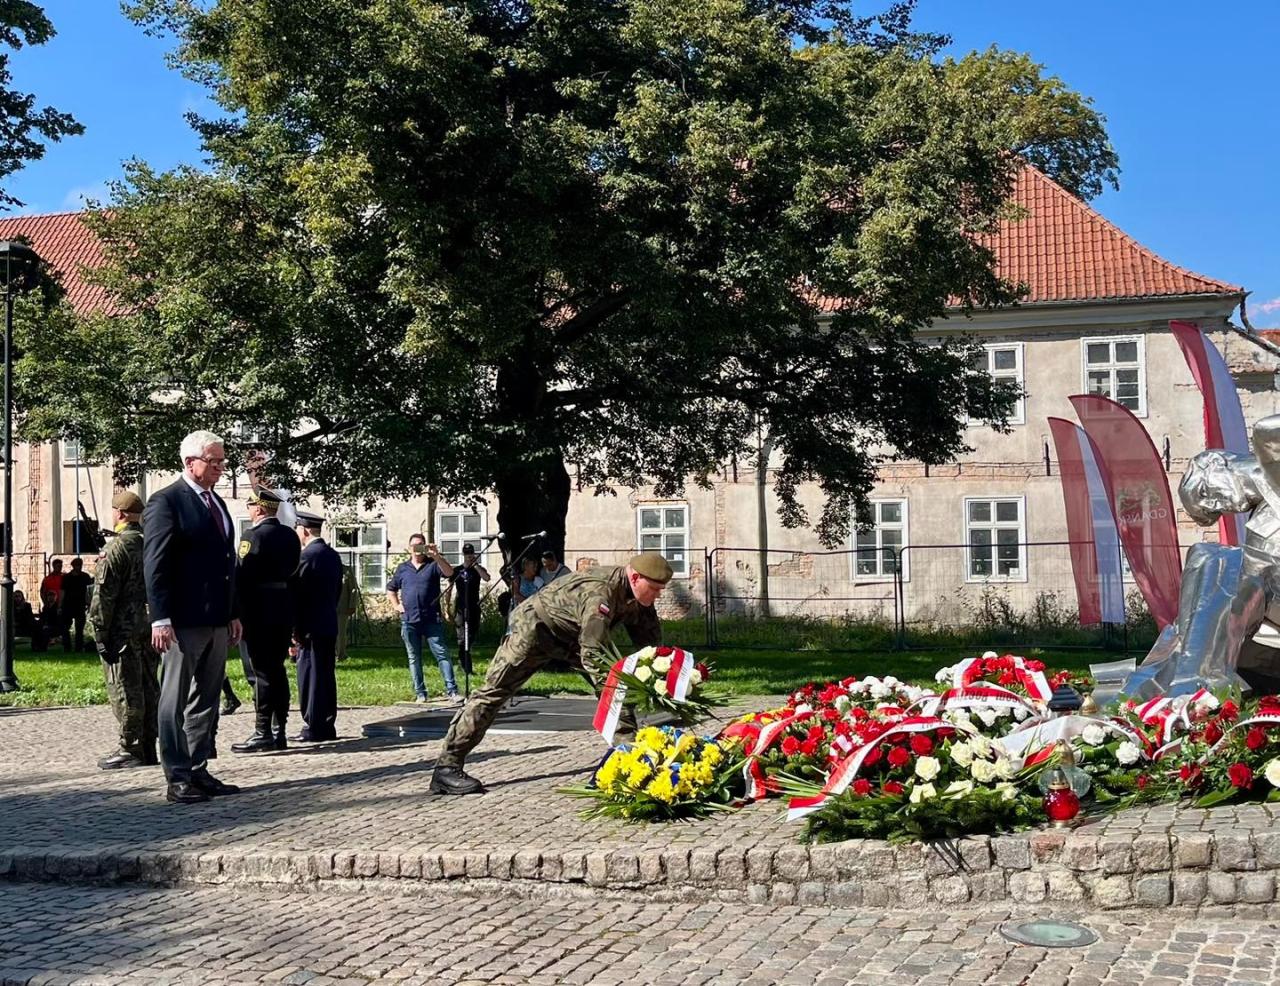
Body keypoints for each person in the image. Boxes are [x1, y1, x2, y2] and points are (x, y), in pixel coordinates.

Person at [431, 552, 671, 795]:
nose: (658, 595)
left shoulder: (640, 597)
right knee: (493, 693)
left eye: (661, 589)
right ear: (636, 577)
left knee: (618, 683)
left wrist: (665, 682)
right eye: (654, 588)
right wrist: (618, 683)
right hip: (534, 629)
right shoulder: (601, 592)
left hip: (572, 636)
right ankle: (447, 768)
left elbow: (650, 648)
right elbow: (595, 655)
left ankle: (630, 757)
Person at [143, 429, 242, 805]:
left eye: (222, 461)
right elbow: (156, 563)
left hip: (217, 618)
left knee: (208, 697)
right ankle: (177, 775)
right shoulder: (166, 502)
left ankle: (199, 767)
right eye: (214, 461)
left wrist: (233, 612)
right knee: (174, 698)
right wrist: (161, 618)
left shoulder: (215, 503)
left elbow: (227, 564)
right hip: (182, 620)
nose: (221, 468)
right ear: (190, 462)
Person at [90, 491, 160, 770]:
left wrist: (98, 632)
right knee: (148, 685)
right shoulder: (150, 544)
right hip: (150, 626)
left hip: (122, 628)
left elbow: (103, 595)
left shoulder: (116, 548)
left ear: (119, 514)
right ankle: (148, 744)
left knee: (125, 688)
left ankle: (129, 747)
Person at [231, 487, 301, 753]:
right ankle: (279, 729)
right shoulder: (290, 536)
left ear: (259, 509)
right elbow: (295, 575)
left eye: (250, 506)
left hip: (257, 612)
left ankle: (262, 731)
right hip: (282, 609)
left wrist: (236, 612)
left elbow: (242, 575)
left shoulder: (252, 536)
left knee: (259, 672)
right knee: (277, 671)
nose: (249, 510)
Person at [386, 533, 459, 704]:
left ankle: (452, 690)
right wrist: (397, 606)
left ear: (426, 547)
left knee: (442, 654)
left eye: (421, 545)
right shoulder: (403, 568)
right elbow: (391, 589)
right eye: (415, 545)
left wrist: (437, 556)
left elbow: (450, 573)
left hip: (431, 618)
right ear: (410, 548)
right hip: (410, 619)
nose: (417, 549)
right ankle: (420, 693)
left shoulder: (433, 565)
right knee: (414, 657)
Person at [292, 508, 343, 741]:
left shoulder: (306, 556)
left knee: (309, 675)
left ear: (303, 530)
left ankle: (313, 725)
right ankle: (326, 723)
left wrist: (294, 629)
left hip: (309, 625)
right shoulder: (332, 555)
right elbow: (337, 592)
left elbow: (298, 595)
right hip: (328, 622)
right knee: (325, 674)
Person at [447, 542, 489, 674]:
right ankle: (466, 668)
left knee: (471, 636)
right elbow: (449, 588)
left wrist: (475, 565)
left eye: (470, 553)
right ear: (463, 554)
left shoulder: (477, 570)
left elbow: (487, 578)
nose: (468, 555)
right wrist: (447, 607)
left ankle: (463, 661)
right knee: (461, 638)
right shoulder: (457, 570)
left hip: (474, 606)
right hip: (460, 606)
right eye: (466, 553)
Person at [61, 557, 92, 652]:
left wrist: (89, 603)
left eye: (80, 565)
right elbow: (62, 591)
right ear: (73, 566)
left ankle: (78, 648)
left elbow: (89, 591)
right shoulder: (66, 578)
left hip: (80, 605)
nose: (78, 567)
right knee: (65, 628)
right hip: (68, 604)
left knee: (79, 629)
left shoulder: (85, 577)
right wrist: (60, 605)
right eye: (77, 565)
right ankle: (67, 647)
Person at [335, 561, 358, 662]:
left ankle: (340, 655)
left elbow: (353, 590)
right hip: (326, 607)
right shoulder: (325, 568)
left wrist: (352, 605)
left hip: (342, 607)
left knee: (340, 632)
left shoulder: (347, 571)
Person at [39, 559, 64, 645]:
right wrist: (45, 603)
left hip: (61, 604)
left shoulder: (64, 577)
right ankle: (50, 638)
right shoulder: (47, 579)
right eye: (58, 566)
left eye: (61, 566)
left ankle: (58, 637)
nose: (60, 568)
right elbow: (42, 591)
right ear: (54, 566)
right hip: (50, 605)